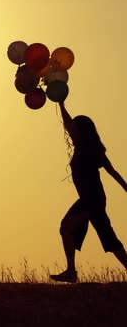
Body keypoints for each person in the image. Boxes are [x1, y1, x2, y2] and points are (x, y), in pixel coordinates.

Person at [50, 101, 127, 283]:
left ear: (83, 131)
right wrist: (61, 104)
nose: (71, 131)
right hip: (89, 198)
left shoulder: (91, 149)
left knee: (70, 228)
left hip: (93, 198)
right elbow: (68, 124)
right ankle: (71, 271)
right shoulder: (80, 145)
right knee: (104, 235)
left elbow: (111, 171)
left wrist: (125, 188)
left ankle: (71, 272)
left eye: (75, 128)